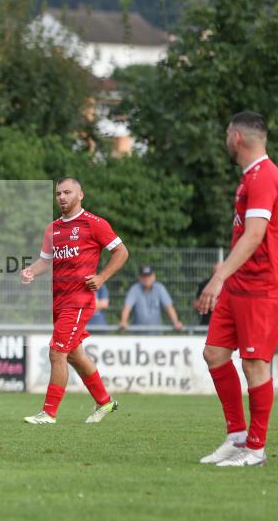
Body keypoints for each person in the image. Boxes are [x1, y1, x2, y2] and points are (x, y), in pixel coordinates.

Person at [196, 111, 278, 467]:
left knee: (255, 364)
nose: (226, 137)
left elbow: (256, 235)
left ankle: (255, 449)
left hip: (261, 286)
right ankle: (237, 435)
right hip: (245, 283)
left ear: (237, 138)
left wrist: (219, 275)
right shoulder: (251, 177)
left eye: (228, 132)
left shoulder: (264, 177)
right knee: (214, 353)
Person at [20, 177, 129, 424]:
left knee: (57, 352)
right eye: (58, 193)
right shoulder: (53, 229)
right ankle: (105, 402)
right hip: (58, 301)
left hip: (79, 301)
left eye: (67, 192)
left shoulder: (94, 224)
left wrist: (102, 277)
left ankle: (48, 413)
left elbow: (122, 252)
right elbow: (46, 261)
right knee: (74, 355)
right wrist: (30, 272)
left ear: (80, 195)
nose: (61, 197)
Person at [119, 266, 183, 331]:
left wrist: (176, 322)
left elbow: (169, 307)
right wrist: (123, 321)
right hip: (138, 333)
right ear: (140, 278)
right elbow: (127, 307)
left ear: (154, 277)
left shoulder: (160, 288)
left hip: (156, 333)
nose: (147, 279)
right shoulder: (135, 289)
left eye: (149, 276)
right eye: (144, 276)